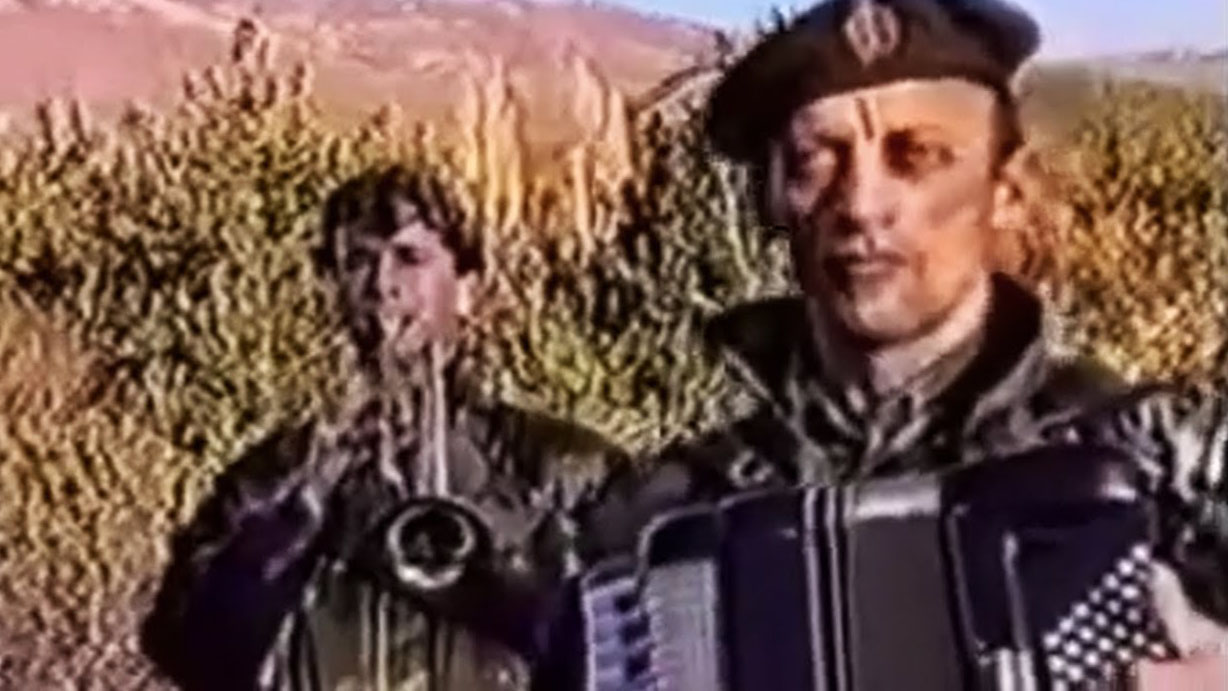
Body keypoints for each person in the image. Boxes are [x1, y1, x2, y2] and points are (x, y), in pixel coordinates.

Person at [524, 0, 1227, 687]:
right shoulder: (673, 516)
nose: (860, 205)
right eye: (815, 160)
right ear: (773, 200)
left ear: (1006, 191)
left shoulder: (1166, 464)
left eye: (917, 156)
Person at [140, 165, 627, 690]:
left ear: (468, 289)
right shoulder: (273, 474)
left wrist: (504, 577)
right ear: (332, 289)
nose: (381, 284)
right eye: (357, 262)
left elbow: (630, 646)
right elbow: (184, 650)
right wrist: (286, 527)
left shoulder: (561, 466)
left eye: (409, 258)